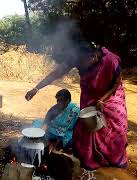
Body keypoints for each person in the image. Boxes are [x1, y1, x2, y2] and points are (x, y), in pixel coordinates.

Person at [25, 42, 128, 172]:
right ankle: (90, 160)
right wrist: (36, 88)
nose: (80, 67)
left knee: (115, 129)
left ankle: (114, 159)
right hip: (89, 96)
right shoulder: (78, 58)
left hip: (111, 97)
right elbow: (56, 73)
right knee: (85, 129)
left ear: (93, 56)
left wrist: (102, 100)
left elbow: (116, 83)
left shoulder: (111, 61)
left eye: (83, 63)